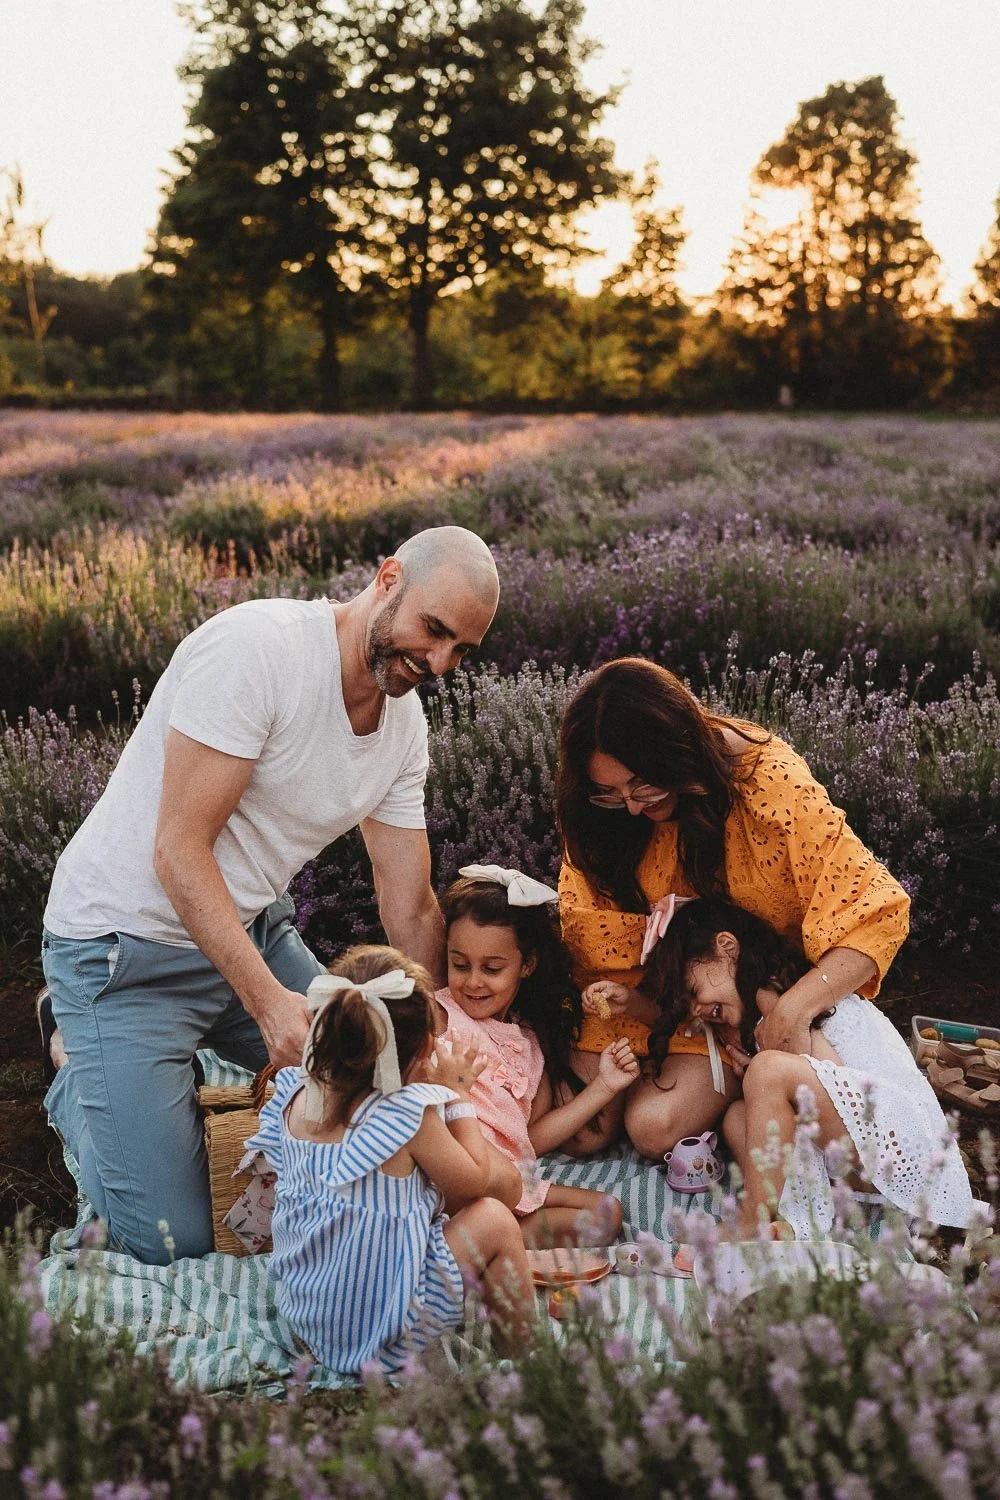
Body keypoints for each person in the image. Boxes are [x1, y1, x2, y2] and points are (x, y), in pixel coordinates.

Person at [39, 526, 500, 1263]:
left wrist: (445, 1036)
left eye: (462, 651)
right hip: (122, 952)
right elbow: (178, 853)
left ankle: (142, 1078)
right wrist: (268, 1004)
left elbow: (409, 906)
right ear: (387, 580)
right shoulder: (259, 651)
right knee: (170, 1240)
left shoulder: (403, 725)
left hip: (248, 927)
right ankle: (75, 1063)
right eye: (434, 630)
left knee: (382, 1084)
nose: (439, 662)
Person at [555, 657, 911, 1159]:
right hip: (660, 997)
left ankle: (736, 1102)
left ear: (677, 753)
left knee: (652, 1128)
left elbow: (876, 911)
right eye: (611, 793)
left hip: (752, 999)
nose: (632, 807)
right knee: (579, 1129)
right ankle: (721, 1098)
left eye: (642, 785)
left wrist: (791, 1008)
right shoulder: (604, 817)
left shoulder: (769, 782)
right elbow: (590, 931)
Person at [246, 945, 535, 1372]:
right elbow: (476, 1183)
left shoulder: (294, 1093)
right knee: (494, 1218)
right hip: (383, 1335)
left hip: (310, 1321)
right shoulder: (409, 1116)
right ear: (418, 1052)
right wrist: (458, 1096)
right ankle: (525, 1353)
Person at [641, 899, 975, 1239]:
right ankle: (800, 1213)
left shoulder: (778, 999)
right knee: (737, 1116)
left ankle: (751, 1222)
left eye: (693, 990)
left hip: (902, 1140)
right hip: (859, 1162)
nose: (696, 1009)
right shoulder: (759, 1015)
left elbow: (833, 1079)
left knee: (767, 1072)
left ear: (727, 948)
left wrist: (764, 1070)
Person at [437, 866, 635, 1246]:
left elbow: (530, 1138)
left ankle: (496, 1244)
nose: (473, 981)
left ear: (526, 966)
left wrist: (604, 1087)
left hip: (508, 1178)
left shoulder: (527, 1044)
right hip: (455, 1172)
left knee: (607, 1213)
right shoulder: (441, 1016)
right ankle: (485, 1243)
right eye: (459, 965)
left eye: (492, 968)